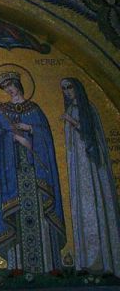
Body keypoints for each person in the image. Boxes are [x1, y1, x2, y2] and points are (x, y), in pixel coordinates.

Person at [0, 71, 66, 275]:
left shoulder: (34, 109)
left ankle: (50, 265)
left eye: (11, 85)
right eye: (6, 88)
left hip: (35, 174)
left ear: (18, 85)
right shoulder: (2, 110)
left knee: (42, 213)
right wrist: (12, 138)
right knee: (16, 212)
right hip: (13, 173)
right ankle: (17, 265)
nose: (9, 90)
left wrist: (29, 130)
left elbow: (45, 135)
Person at [60, 78, 120, 277]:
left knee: (96, 204)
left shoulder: (88, 108)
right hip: (77, 167)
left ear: (77, 88)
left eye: (69, 87)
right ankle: (85, 262)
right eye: (64, 89)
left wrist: (71, 121)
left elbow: (90, 133)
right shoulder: (70, 109)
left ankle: (105, 263)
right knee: (81, 208)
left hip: (90, 164)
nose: (67, 91)